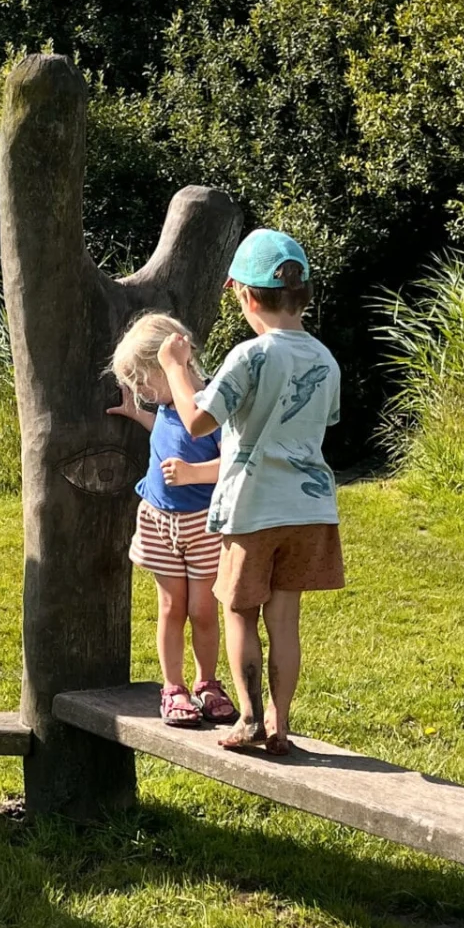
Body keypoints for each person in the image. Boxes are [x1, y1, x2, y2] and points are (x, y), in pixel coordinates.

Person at [157, 230, 341, 756]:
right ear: (301, 294)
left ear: (243, 294)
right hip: (310, 509)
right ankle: (282, 727)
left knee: (239, 611)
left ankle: (249, 720)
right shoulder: (326, 360)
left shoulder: (251, 355)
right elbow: (323, 419)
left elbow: (195, 421)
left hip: (251, 509)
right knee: (285, 617)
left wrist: (174, 367)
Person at [107, 312, 239, 729]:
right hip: (159, 522)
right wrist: (138, 414)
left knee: (202, 610)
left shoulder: (211, 403)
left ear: (171, 366)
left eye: (143, 379)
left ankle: (207, 683)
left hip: (202, 524)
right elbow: (169, 433)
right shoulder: (166, 405)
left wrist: (191, 474)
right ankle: (173, 687)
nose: (141, 390)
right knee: (170, 607)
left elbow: (233, 461)